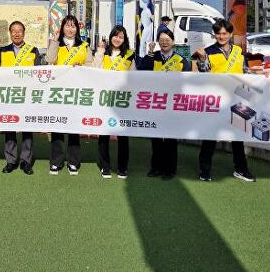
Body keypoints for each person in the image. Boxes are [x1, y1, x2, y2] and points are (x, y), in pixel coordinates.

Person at [194, 18, 256, 183]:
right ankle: (205, 170)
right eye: (218, 33)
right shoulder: (208, 51)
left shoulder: (239, 51)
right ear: (215, 35)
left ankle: (241, 169)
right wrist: (201, 59)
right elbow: (204, 73)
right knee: (210, 137)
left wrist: (257, 85)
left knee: (238, 137)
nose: (221, 36)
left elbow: (245, 73)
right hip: (216, 100)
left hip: (237, 99)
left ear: (230, 34)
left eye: (224, 33)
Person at [0, 20, 42, 175]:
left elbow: (38, 72)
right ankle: (11, 161)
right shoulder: (3, 50)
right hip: (9, 95)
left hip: (27, 96)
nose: (17, 33)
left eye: (20, 30)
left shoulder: (33, 50)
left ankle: (26, 161)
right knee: (10, 128)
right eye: (14, 30)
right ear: (10, 33)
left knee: (27, 129)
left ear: (24, 33)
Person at [139, 27, 190, 180]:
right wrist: (148, 54)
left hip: (173, 104)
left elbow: (187, 81)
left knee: (170, 138)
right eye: (161, 40)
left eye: (167, 40)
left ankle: (170, 169)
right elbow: (140, 72)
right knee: (155, 137)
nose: (164, 42)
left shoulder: (181, 61)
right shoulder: (152, 57)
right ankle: (156, 167)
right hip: (156, 103)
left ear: (173, 42)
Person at [46, 15, 93, 175]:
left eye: (73, 26)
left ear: (77, 29)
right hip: (59, 92)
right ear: (62, 28)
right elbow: (49, 59)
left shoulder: (84, 46)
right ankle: (56, 162)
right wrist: (54, 41)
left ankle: (73, 162)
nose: (70, 29)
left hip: (76, 92)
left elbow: (91, 65)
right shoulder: (57, 44)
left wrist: (82, 66)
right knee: (57, 127)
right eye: (67, 26)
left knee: (74, 128)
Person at [94, 25, 135, 179]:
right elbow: (95, 69)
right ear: (111, 36)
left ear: (125, 39)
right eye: (115, 36)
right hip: (104, 98)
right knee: (103, 134)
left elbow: (134, 76)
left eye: (121, 37)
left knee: (123, 135)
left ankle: (122, 167)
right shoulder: (102, 53)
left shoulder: (130, 55)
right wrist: (99, 51)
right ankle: (105, 166)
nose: (117, 39)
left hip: (122, 100)